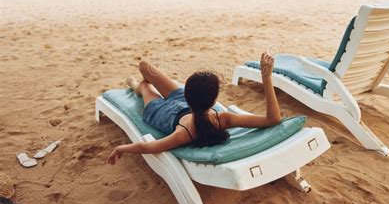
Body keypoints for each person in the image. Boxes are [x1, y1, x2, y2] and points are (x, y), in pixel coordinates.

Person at [107, 52, 281, 165]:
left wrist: (123, 148)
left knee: (146, 85)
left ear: (189, 94)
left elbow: (150, 147)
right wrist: (266, 78)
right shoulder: (223, 119)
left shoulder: (184, 133)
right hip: (180, 99)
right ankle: (139, 86)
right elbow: (272, 119)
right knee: (145, 66)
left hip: (161, 113)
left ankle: (136, 87)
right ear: (213, 102)